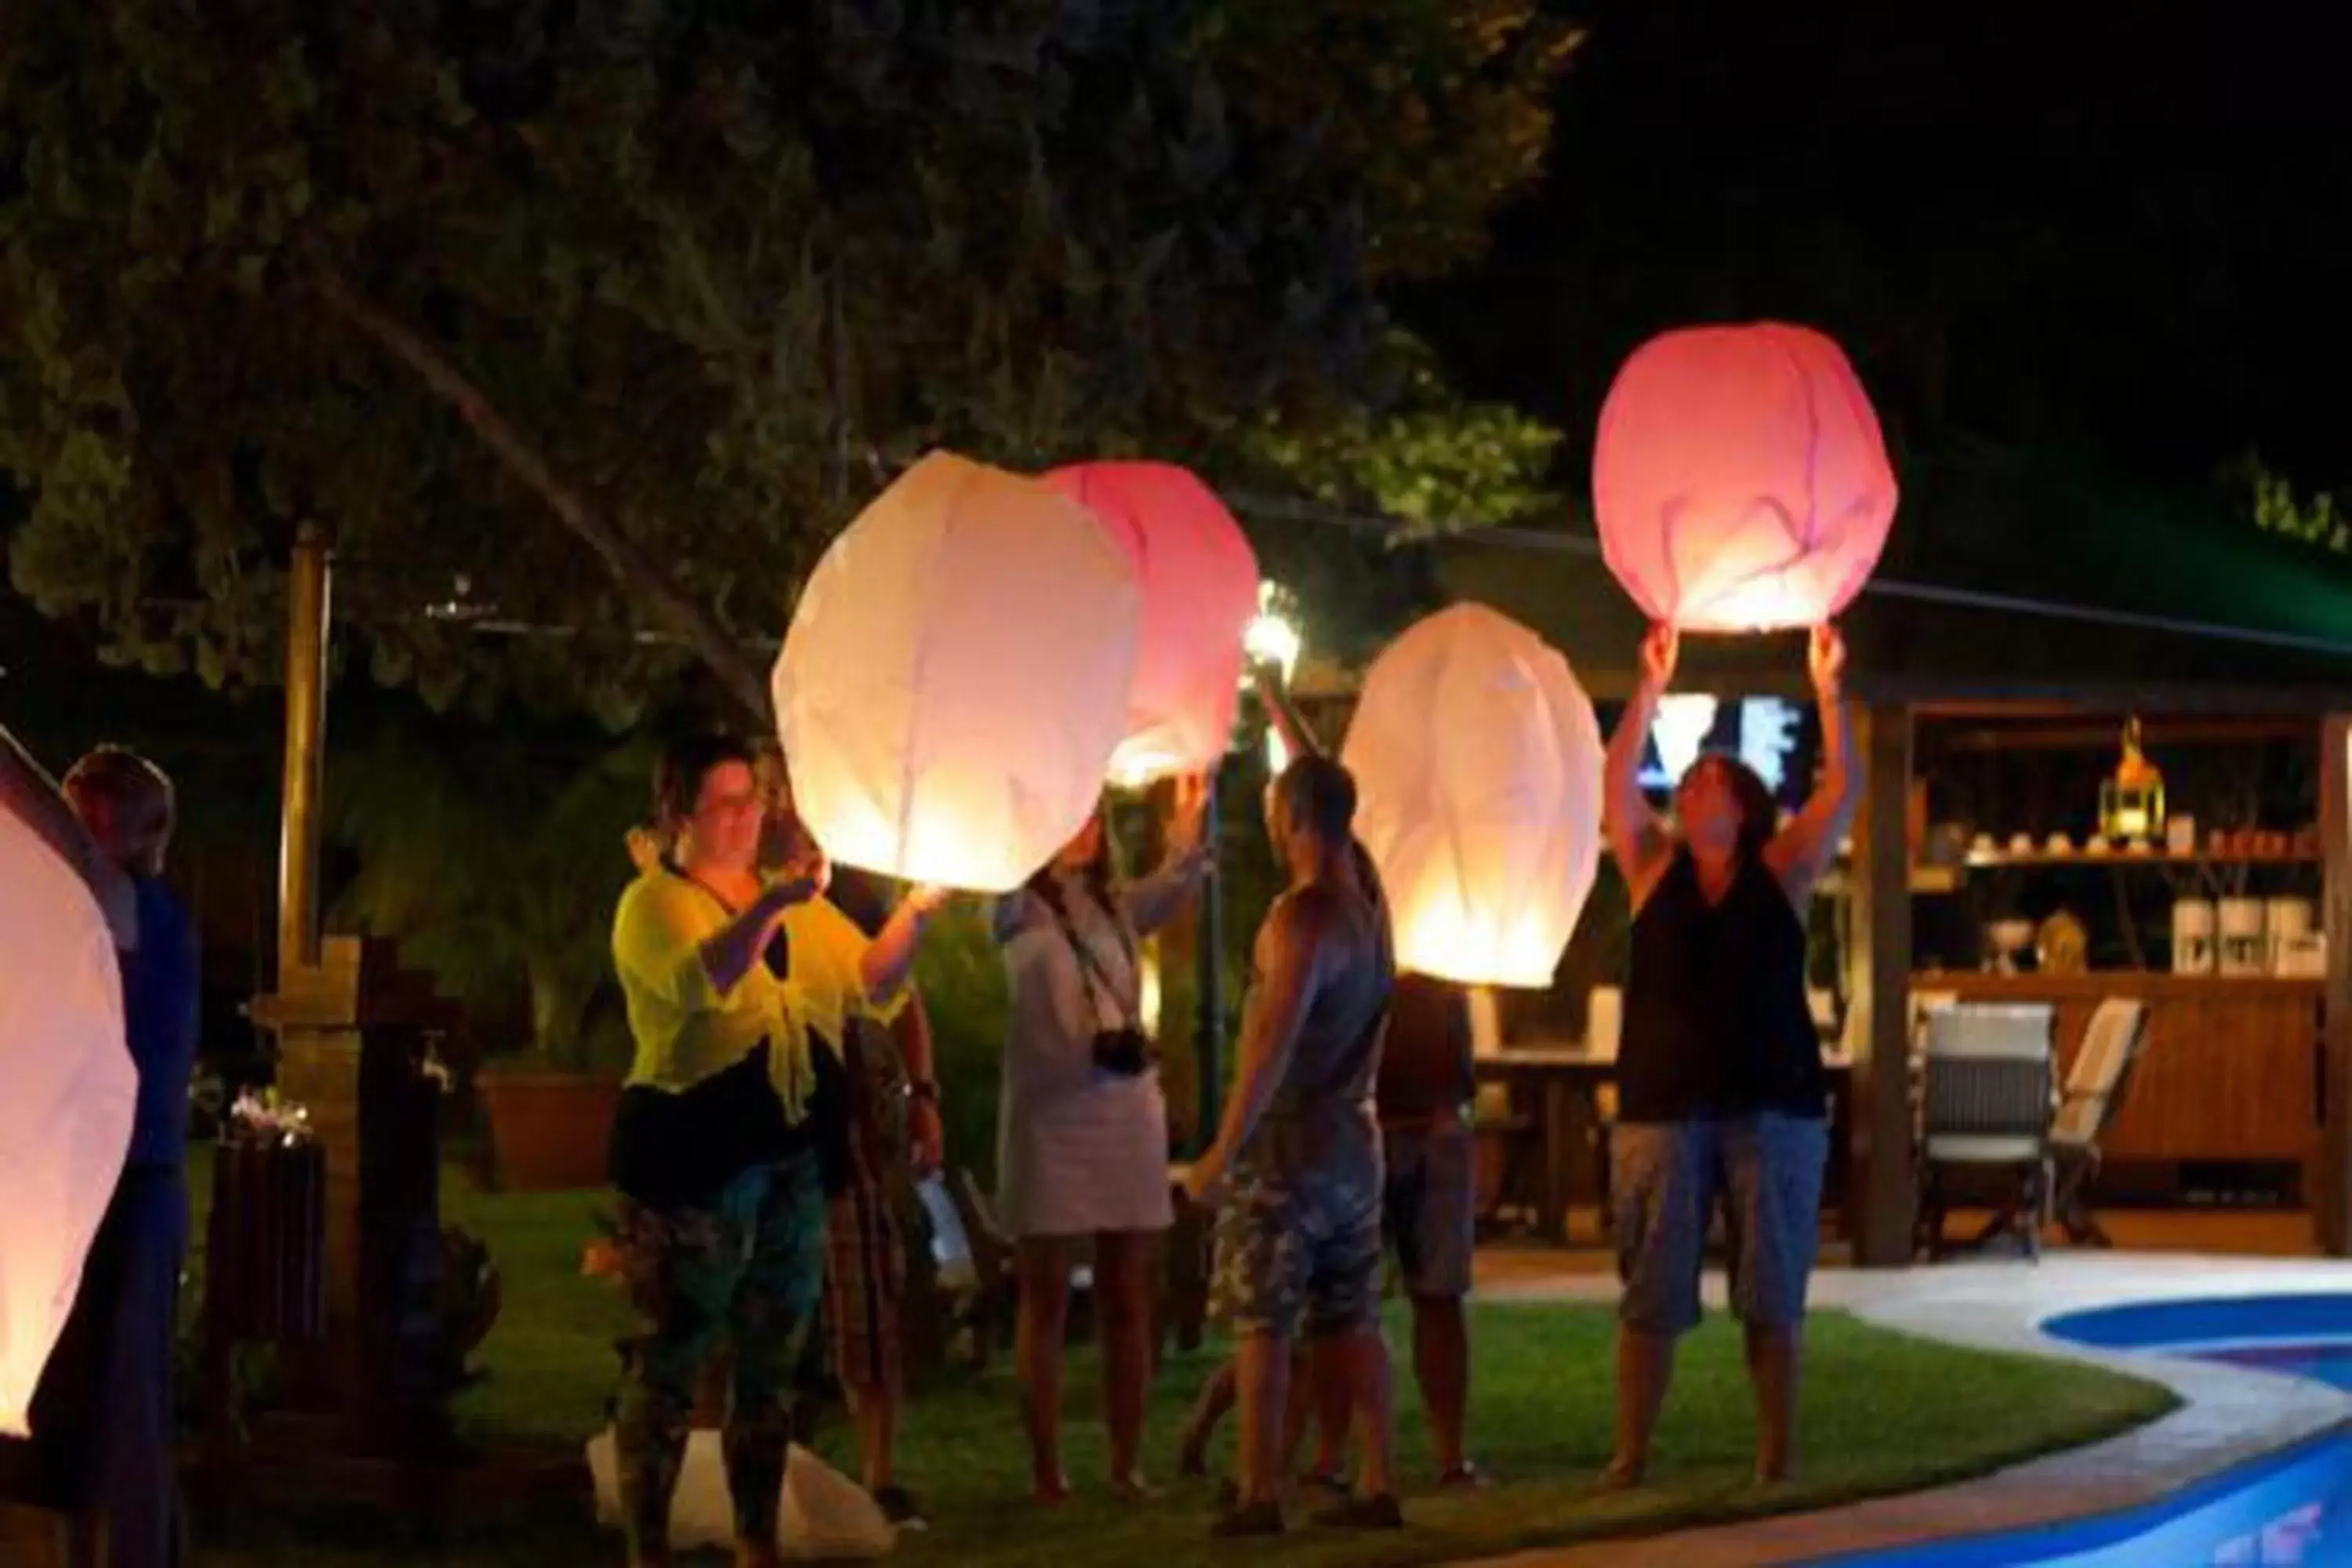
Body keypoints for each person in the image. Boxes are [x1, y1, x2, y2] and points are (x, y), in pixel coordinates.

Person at [607, 735, 940, 1568]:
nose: (749, 814)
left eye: (751, 798)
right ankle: (648, 1543)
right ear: (680, 813)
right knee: (677, 1353)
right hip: (696, 1164)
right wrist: (772, 906)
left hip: (792, 1160)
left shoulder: (792, 903)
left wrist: (916, 913)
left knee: (771, 1357)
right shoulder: (656, 903)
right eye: (727, 801)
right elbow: (703, 978)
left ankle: (759, 1535)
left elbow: (866, 980)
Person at [1599, 623, 1855, 1489]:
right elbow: (1614, 776)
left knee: (1771, 1292)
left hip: (1772, 1103)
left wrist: (1828, 690)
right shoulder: (1649, 867)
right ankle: (1631, 1453)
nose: (1698, 779)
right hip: (1663, 1105)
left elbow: (1842, 792)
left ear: (1742, 806)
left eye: (1714, 776)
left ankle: (1774, 1457)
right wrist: (1648, 683)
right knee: (1652, 1294)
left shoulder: (1780, 870)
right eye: (1692, 774)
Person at [1185, 755, 1399, 1537]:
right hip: (1355, 1148)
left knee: (1263, 1322)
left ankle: (1258, 1490)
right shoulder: (1372, 910)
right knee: (1354, 1316)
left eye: (1277, 810)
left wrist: (1219, 1151)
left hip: (1287, 1151)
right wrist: (1276, 701)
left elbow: (1271, 1043)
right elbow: (1335, 796)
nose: (1272, 825)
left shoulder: (1302, 918)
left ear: (1293, 816)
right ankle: (1379, 1478)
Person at [0, 736, 199, 1568]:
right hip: (82, 1194)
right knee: (77, 1417)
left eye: (96, 813)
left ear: (140, 836)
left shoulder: (136, 913)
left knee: (123, 1420)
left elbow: (67, 847)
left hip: (128, 1201)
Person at [994, 782, 1210, 1504]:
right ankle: (1046, 1469)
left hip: (1122, 1111)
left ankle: (1125, 1463)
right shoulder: (1016, 905)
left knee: (1128, 1289)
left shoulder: (1112, 904)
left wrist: (1184, 833)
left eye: (1090, 813)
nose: (1082, 828)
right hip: (1051, 1115)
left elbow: (1166, 890)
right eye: (1067, 813)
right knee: (1047, 1292)